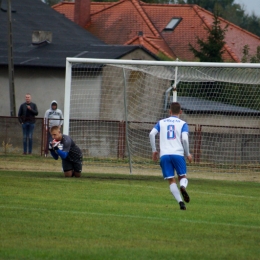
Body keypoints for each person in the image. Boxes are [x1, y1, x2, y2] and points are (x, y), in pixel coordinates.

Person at [149, 102, 192, 210]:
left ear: (170, 111)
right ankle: (183, 186)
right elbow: (185, 139)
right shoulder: (183, 124)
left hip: (164, 155)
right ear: (180, 112)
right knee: (182, 177)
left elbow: (151, 134)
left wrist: (154, 150)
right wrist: (188, 153)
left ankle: (181, 202)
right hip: (177, 154)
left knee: (171, 180)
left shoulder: (161, 122)